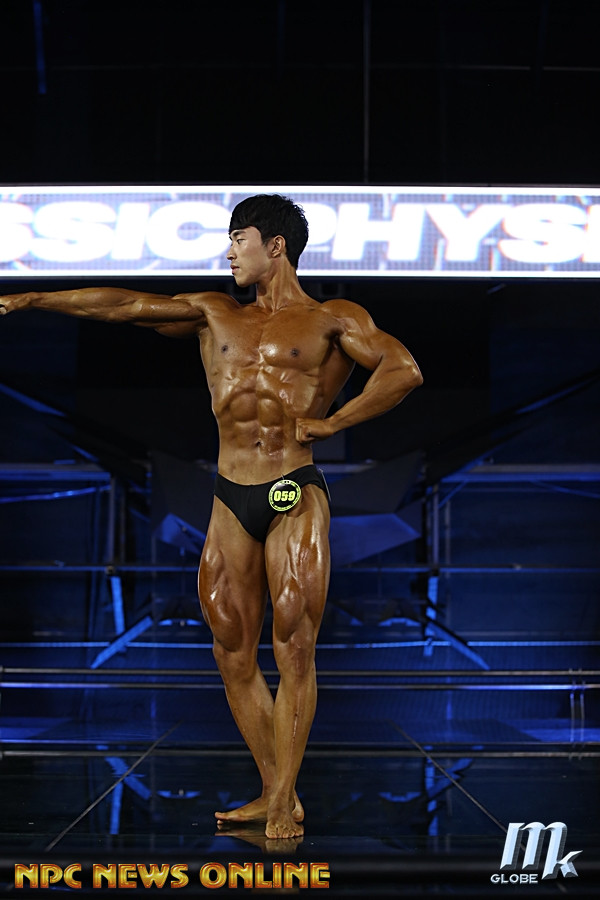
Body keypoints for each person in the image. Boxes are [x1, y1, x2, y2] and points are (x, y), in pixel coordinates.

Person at [0, 193, 422, 838]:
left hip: (291, 488)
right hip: (231, 492)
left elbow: (403, 370)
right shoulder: (212, 312)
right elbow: (123, 306)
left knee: (294, 639)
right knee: (230, 646)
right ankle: (275, 790)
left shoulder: (333, 319)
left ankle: (283, 800)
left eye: (237, 239)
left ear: (274, 245)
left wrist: (335, 422)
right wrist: (31, 299)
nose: (228, 253)